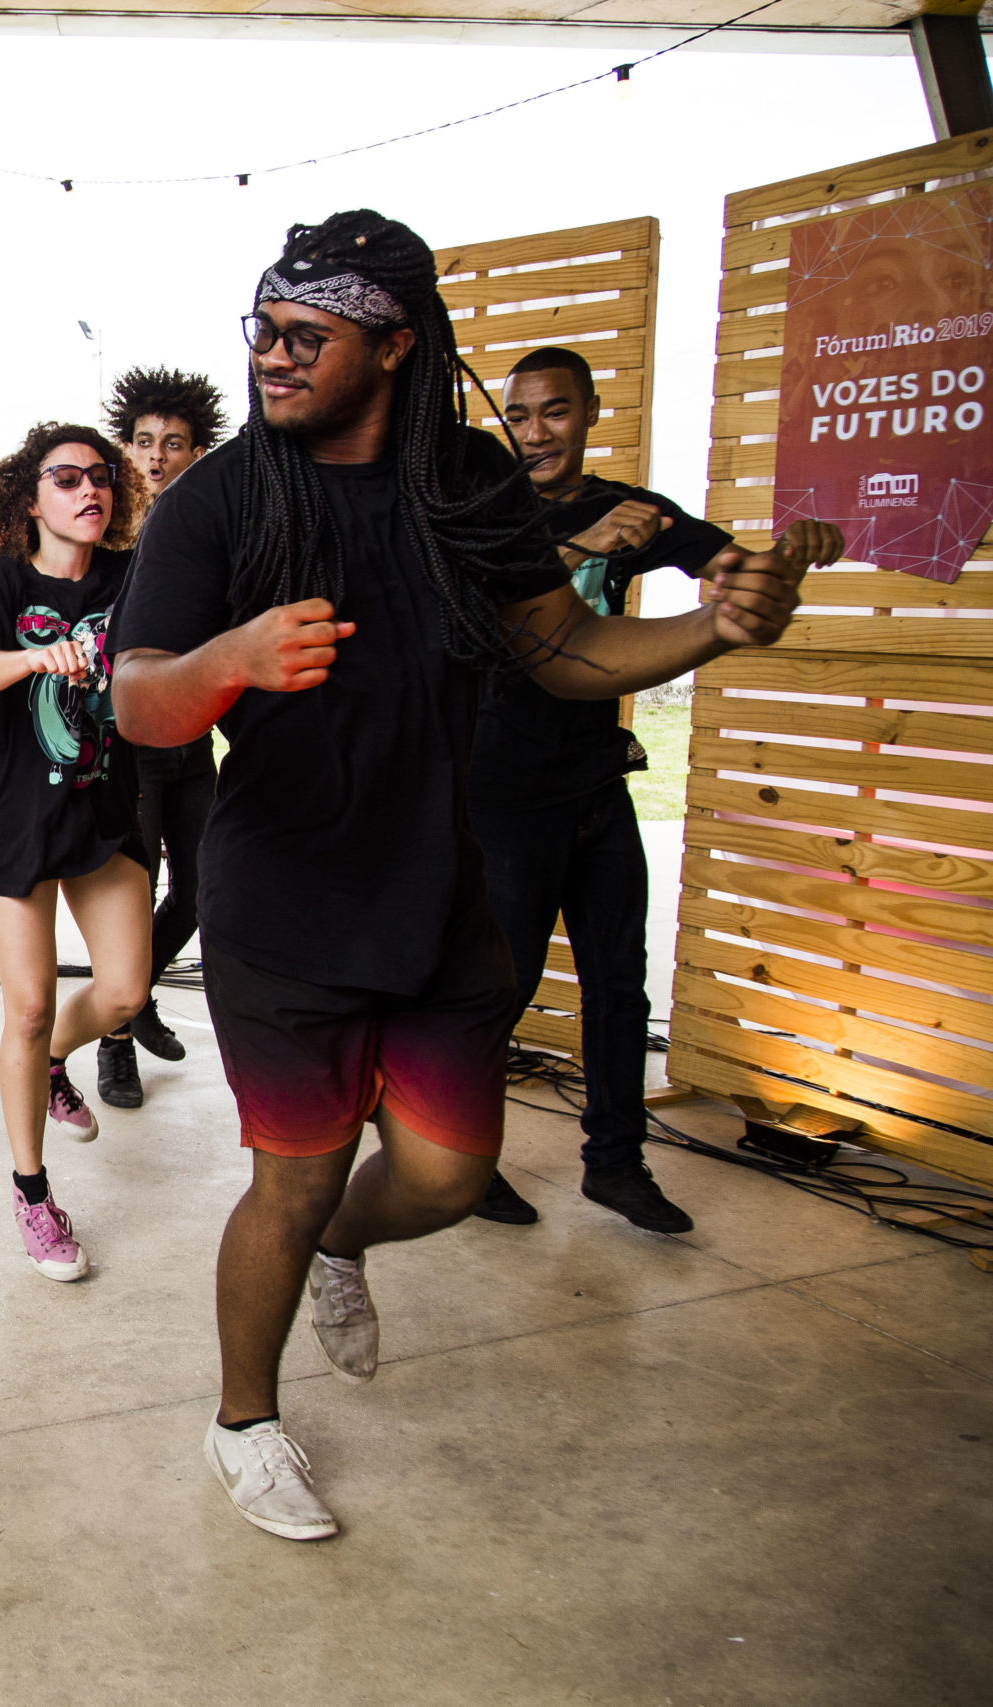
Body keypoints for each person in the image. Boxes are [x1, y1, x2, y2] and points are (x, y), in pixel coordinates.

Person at [109, 210, 820, 1542]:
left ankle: (343, 1249)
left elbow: (562, 650)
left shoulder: (470, 484)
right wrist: (231, 661)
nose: (268, 356)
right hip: (284, 902)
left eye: (301, 336)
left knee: (446, 1171)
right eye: (260, 329)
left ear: (392, 344)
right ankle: (244, 1420)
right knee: (295, 1174)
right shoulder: (223, 498)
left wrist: (711, 628)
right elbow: (140, 699)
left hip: (438, 887)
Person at [467, 345, 840, 1233]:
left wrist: (788, 556)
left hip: (597, 783)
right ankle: (463, 1160)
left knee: (620, 984)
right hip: (504, 794)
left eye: (555, 411)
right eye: (518, 415)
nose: (536, 432)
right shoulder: (485, 517)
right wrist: (577, 545)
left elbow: (729, 567)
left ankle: (616, 1162)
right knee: (497, 993)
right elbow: (470, 595)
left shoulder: (625, 508)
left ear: (591, 413)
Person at [0, 424, 152, 1283]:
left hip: (102, 810)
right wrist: (37, 657)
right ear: (31, 498)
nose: (88, 490)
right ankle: (33, 1193)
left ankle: (59, 1059)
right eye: (67, 478)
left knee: (126, 990)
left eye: (100, 478)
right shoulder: (2, 583)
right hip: (17, 815)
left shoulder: (133, 580)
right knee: (24, 1006)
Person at [92, 367, 230, 1105]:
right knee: (129, 896)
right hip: (129, 748)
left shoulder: (214, 530)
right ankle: (116, 1046)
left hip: (194, 742)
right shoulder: (108, 536)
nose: (154, 456)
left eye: (172, 443)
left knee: (204, 891)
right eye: (142, 441)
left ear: (197, 452)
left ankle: (134, 992)